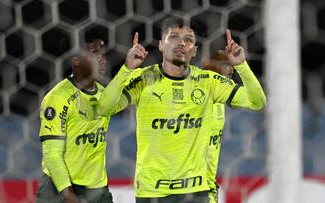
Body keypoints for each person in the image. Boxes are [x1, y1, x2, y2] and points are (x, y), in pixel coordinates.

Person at [98, 17, 266, 202]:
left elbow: (256, 102)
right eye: (174, 37)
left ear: (194, 50)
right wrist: (126, 69)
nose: (181, 42)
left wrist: (241, 66)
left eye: (188, 39)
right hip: (151, 192)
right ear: (161, 45)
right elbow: (104, 108)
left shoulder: (208, 81)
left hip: (196, 192)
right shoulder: (144, 79)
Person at [36, 33, 114, 203]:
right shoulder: (57, 98)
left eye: (103, 54)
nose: (103, 60)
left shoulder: (104, 95)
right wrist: (68, 195)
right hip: (59, 188)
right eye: (94, 54)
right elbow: (52, 154)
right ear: (76, 60)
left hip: (97, 189)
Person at [202, 50, 240, 203]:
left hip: (208, 184)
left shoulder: (221, 100)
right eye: (224, 65)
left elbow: (257, 100)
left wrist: (242, 65)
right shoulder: (195, 94)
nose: (230, 69)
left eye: (231, 66)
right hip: (187, 184)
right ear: (208, 66)